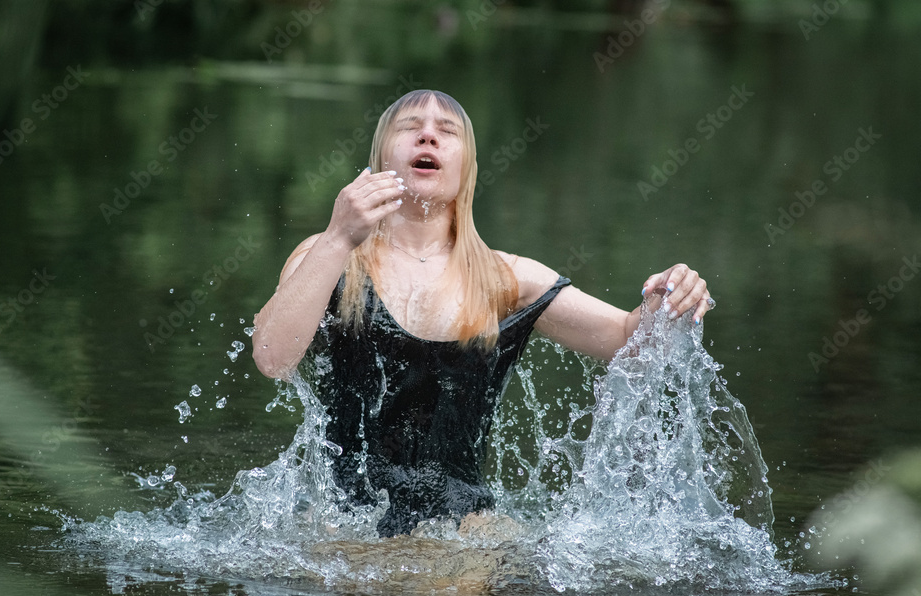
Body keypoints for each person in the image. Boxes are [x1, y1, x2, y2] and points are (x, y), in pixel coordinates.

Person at [252, 90, 712, 537]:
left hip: (467, 531)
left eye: (445, 131)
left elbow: (629, 340)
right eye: (410, 128)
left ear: (465, 169)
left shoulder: (507, 279)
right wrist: (338, 236)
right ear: (378, 161)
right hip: (345, 527)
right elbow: (272, 357)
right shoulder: (326, 256)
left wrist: (671, 298)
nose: (428, 137)